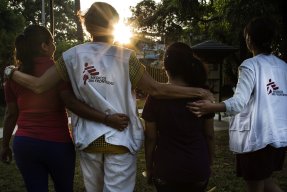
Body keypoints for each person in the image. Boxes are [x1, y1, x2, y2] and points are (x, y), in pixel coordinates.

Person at [4, 2, 213, 192]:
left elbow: (39, 86)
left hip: (89, 141)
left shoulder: (70, 57)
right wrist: (198, 91)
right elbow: (156, 89)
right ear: (114, 26)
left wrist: (10, 72)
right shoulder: (126, 57)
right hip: (121, 140)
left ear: (87, 27)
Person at [0, 25, 129, 192]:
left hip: (25, 144)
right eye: (52, 42)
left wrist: (4, 145)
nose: (54, 46)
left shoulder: (14, 76)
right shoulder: (59, 70)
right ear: (44, 46)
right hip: (57, 144)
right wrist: (106, 118)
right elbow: (71, 103)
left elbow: (11, 114)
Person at [188, 16, 287, 192]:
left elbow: (238, 103)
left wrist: (210, 107)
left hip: (257, 139)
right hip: (277, 137)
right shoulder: (282, 65)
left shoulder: (250, 65)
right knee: (266, 181)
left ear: (249, 38)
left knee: (255, 186)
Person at [142, 42, 215, 192]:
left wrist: (149, 168)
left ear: (165, 67)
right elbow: (209, 135)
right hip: (198, 167)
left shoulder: (155, 97)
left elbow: (150, 138)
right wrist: (209, 162)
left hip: (166, 171)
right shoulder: (204, 94)